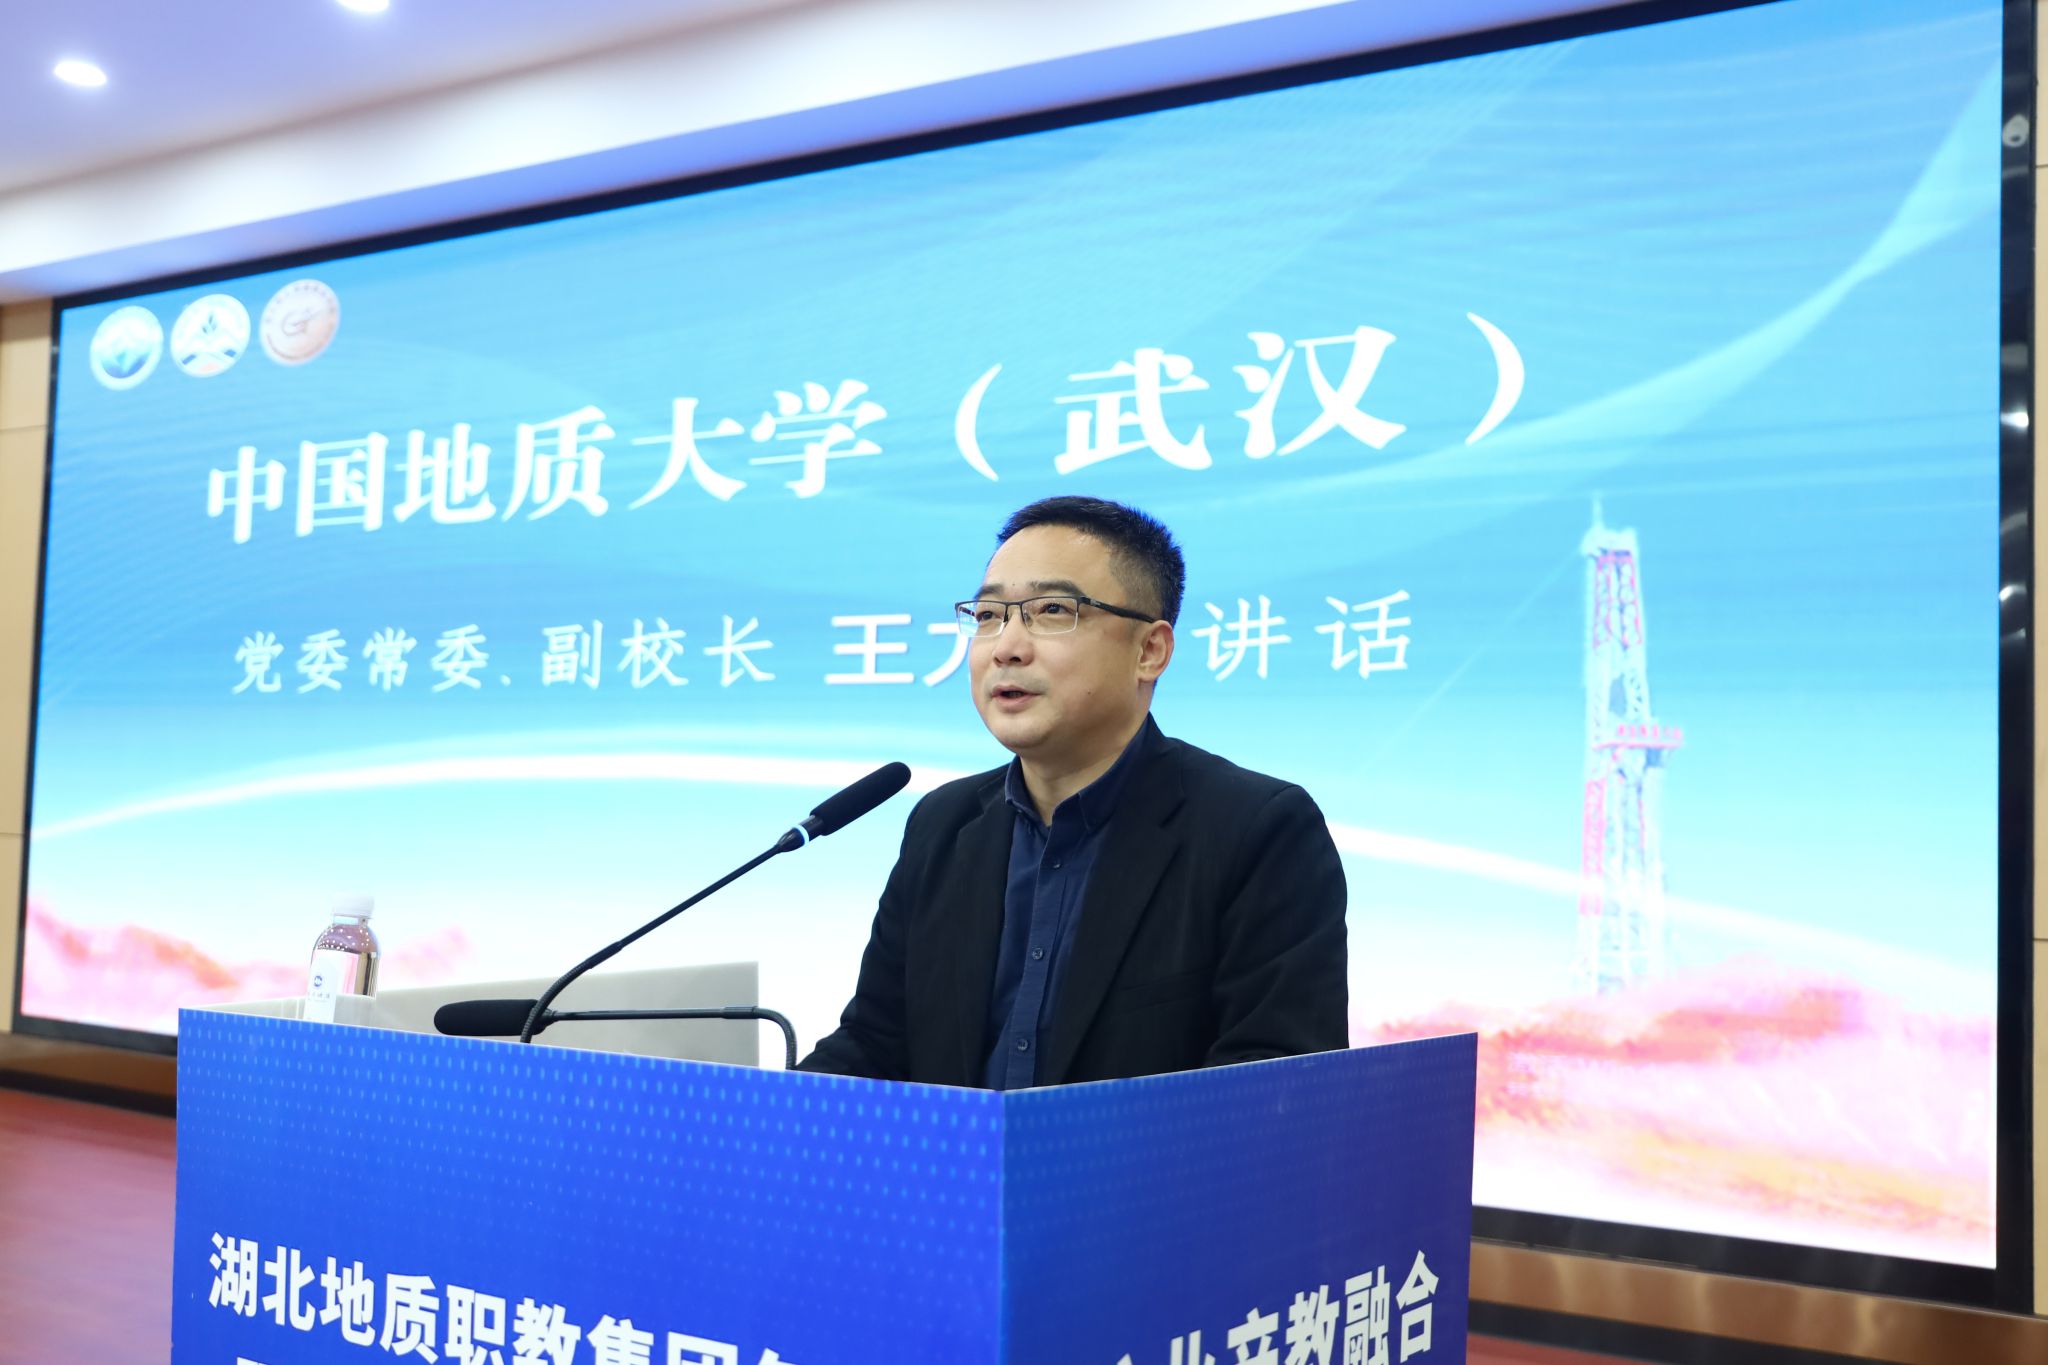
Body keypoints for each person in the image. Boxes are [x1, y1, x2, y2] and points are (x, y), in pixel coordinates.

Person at [798, 496, 1347, 1088]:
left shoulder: (1255, 829)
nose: (1006, 646)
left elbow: (1273, 1081)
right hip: (956, 1154)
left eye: (1052, 610)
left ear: (1149, 651)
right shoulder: (944, 824)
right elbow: (875, 1043)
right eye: (989, 615)